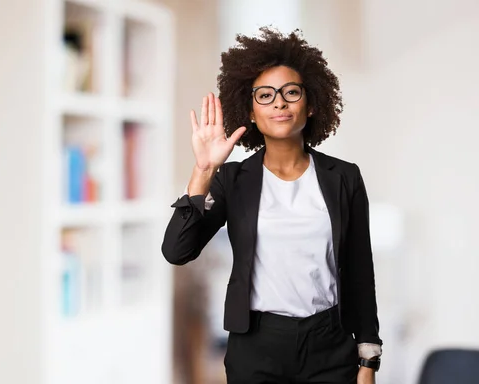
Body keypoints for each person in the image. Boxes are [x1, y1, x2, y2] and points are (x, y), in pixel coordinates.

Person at [161, 27, 382, 384]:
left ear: (310, 105)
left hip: (329, 343)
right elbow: (176, 250)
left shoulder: (344, 178)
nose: (278, 103)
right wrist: (203, 170)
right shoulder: (231, 180)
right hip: (257, 346)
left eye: (290, 92)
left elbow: (359, 271)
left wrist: (368, 360)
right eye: (265, 95)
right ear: (249, 110)